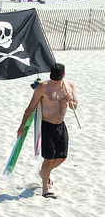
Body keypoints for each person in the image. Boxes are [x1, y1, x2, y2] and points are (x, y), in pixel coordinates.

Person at [17, 63, 78, 198]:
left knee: (62, 158)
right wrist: (21, 127)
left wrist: (71, 100)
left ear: (63, 75)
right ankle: (45, 189)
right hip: (46, 127)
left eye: (58, 78)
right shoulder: (43, 87)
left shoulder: (69, 86)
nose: (55, 81)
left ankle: (44, 173)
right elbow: (30, 107)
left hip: (61, 126)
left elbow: (75, 106)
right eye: (53, 78)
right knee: (48, 159)